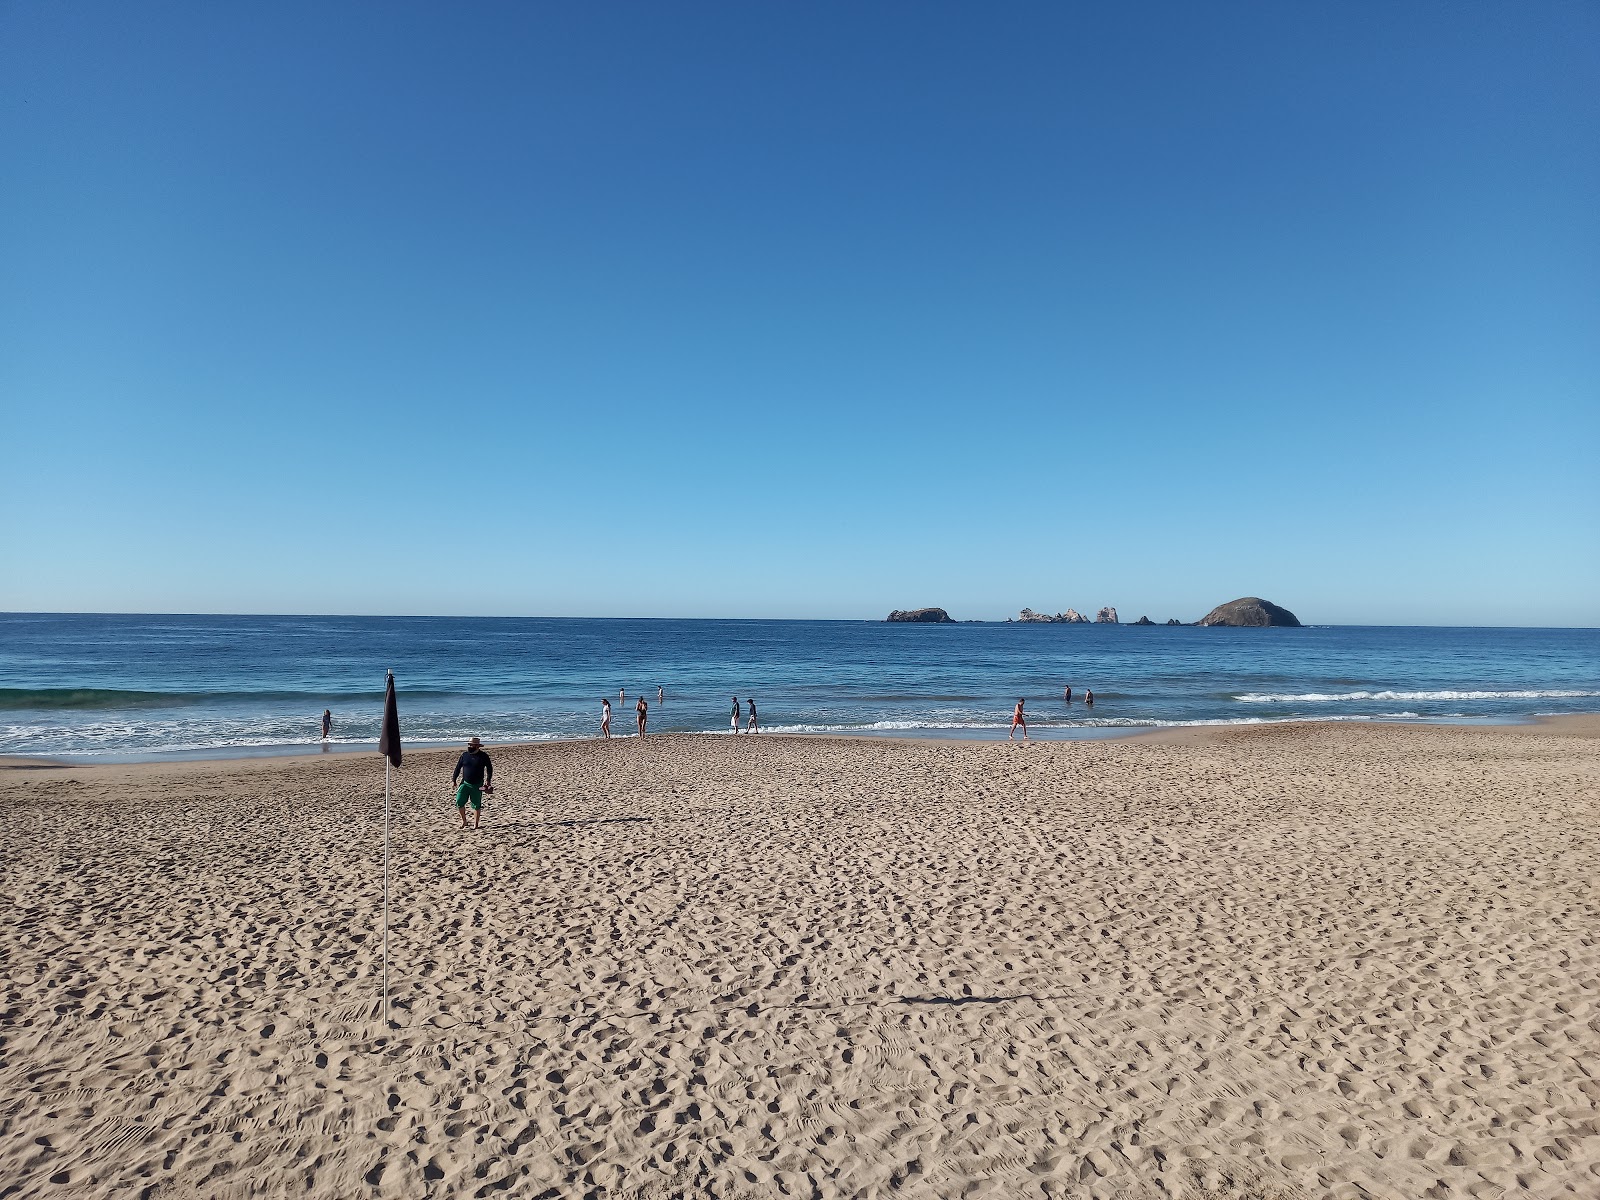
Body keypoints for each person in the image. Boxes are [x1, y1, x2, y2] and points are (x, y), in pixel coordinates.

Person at [451, 736, 494, 829]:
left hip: (477, 784)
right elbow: (458, 768)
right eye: (469, 745)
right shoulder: (464, 755)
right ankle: (464, 821)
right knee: (459, 801)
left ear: (477, 746)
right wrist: (454, 780)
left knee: (476, 804)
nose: (470, 746)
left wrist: (488, 780)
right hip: (465, 783)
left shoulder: (483, 756)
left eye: (472, 745)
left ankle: (476, 823)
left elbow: (489, 768)